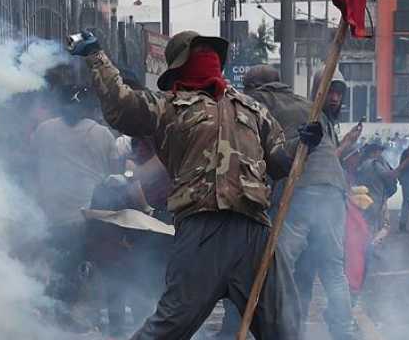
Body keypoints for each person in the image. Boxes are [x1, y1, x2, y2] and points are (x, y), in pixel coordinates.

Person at [70, 30, 322, 340]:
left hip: (254, 231)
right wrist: (96, 56)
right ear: (183, 65)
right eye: (199, 52)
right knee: (170, 325)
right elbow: (121, 106)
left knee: (284, 328)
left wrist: (303, 144)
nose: (207, 58)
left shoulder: (254, 110)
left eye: (209, 52)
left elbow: (280, 161)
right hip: (202, 229)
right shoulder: (169, 106)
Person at [243, 64, 361, 340]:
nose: (334, 97)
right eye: (330, 91)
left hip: (303, 191)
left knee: (278, 265)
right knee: (333, 269)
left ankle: (281, 330)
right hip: (333, 193)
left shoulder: (261, 100)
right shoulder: (315, 113)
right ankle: (343, 331)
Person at [30, 85, 119, 331]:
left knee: (59, 269)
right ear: (91, 108)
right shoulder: (102, 134)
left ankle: (55, 320)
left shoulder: (44, 129)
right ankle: (67, 321)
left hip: (51, 215)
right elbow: (113, 174)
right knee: (87, 270)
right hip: (88, 214)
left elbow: (33, 163)